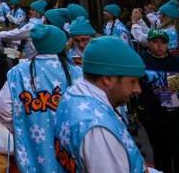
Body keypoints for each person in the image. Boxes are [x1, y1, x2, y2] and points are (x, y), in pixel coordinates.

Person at [53, 36, 149, 172]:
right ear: (108, 78)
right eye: (132, 81)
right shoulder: (98, 129)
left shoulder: (73, 94)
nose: (137, 89)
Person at [0, 24, 82, 172]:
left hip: (32, 152)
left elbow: (4, 108)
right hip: (70, 153)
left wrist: (20, 125)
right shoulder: (76, 72)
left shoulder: (17, 73)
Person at [135, 29, 179, 173]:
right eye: (155, 42)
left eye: (163, 42)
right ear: (148, 43)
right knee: (161, 157)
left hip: (178, 117)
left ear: (167, 44)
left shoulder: (178, 64)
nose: (159, 46)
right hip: (154, 119)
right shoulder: (140, 63)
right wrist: (141, 113)